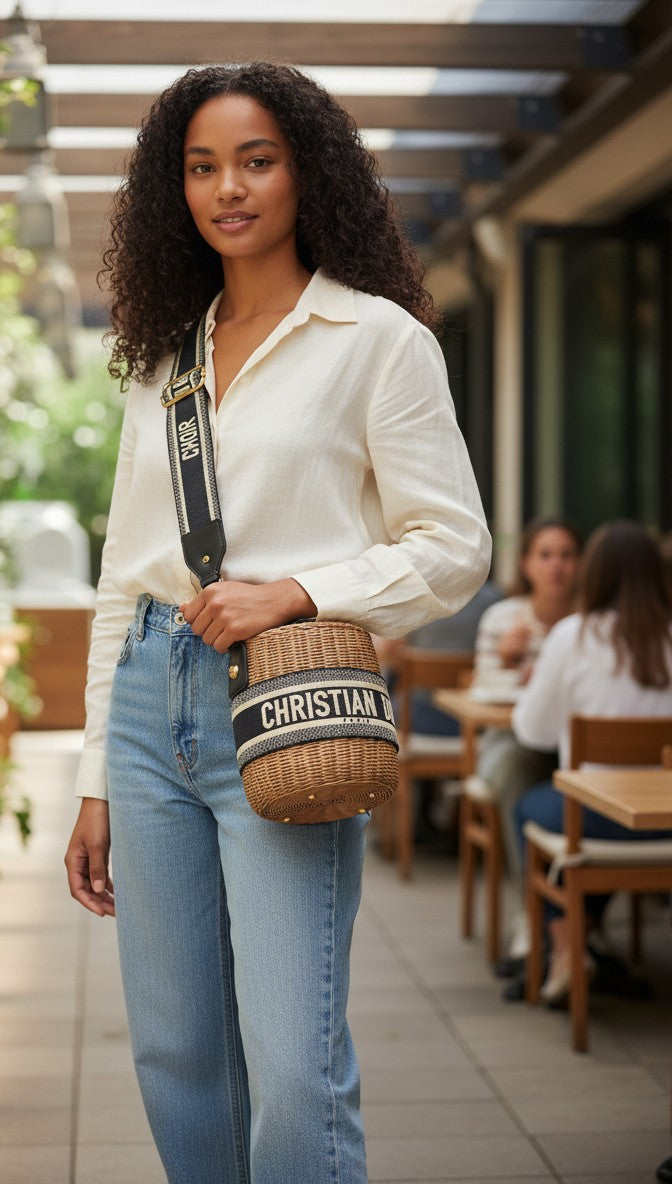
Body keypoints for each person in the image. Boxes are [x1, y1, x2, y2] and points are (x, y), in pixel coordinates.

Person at [63, 62, 491, 1184]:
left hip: (288, 696)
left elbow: (455, 545)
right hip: (150, 702)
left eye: (256, 161)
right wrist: (94, 777)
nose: (229, 189)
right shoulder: (165, 357)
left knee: (296, 1063)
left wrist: (300, 590)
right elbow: (120, 579)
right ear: (176, 190)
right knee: (179, 1051)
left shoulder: (377, 339)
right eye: (202, 166)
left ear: (308, 172)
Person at [512, 520, 672, 1004]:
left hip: (595, 820)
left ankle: (565, 946)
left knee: (529, 808)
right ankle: (586, 938)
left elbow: (532, 731)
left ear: (593, 572)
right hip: (664, 821)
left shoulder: (573, 636)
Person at [471, 517, 583, 890]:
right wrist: (510, 665)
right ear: (526, 563)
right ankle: (531, 900)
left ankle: (581, 903)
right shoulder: (502, 619)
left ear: (582, 563)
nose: (556, 565)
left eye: (567, 555)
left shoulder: (591, 622)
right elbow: (483, 691)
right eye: (545, 555)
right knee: (513, 766)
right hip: (510, 740)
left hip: (576, 746)